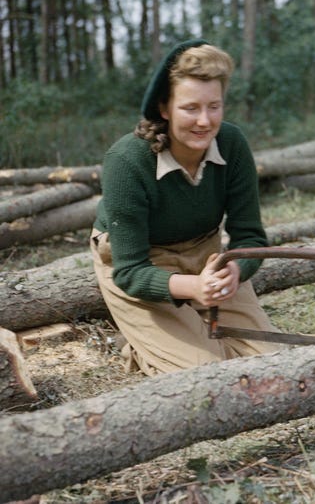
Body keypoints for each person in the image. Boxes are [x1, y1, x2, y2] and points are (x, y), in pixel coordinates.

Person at [90, 39, 282, 376]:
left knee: (275, 361)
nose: (204, 121)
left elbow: (249, 235)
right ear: (164, 108)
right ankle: (141, 344)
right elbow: (129, 269)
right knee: (203, 373)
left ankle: (187, 324)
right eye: (190, 108)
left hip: (206, 254)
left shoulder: (233, 144)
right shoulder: (126, 162)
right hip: (143, 262)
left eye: (214, 107)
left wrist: (234, 272)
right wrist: (195, 288)